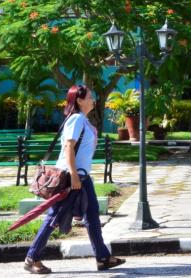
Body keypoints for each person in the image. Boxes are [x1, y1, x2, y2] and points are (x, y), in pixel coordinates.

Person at [24, 85, 125, 274]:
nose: (93, 99)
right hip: (71, 177)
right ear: (79, 100)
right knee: (54, 217)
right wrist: (73, 175)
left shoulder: (83, 120)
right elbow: (68, 148)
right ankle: (32, 257)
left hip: (82, 177)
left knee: (93, 216)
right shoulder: (76, 119)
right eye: (90, 96)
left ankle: (103, 258)